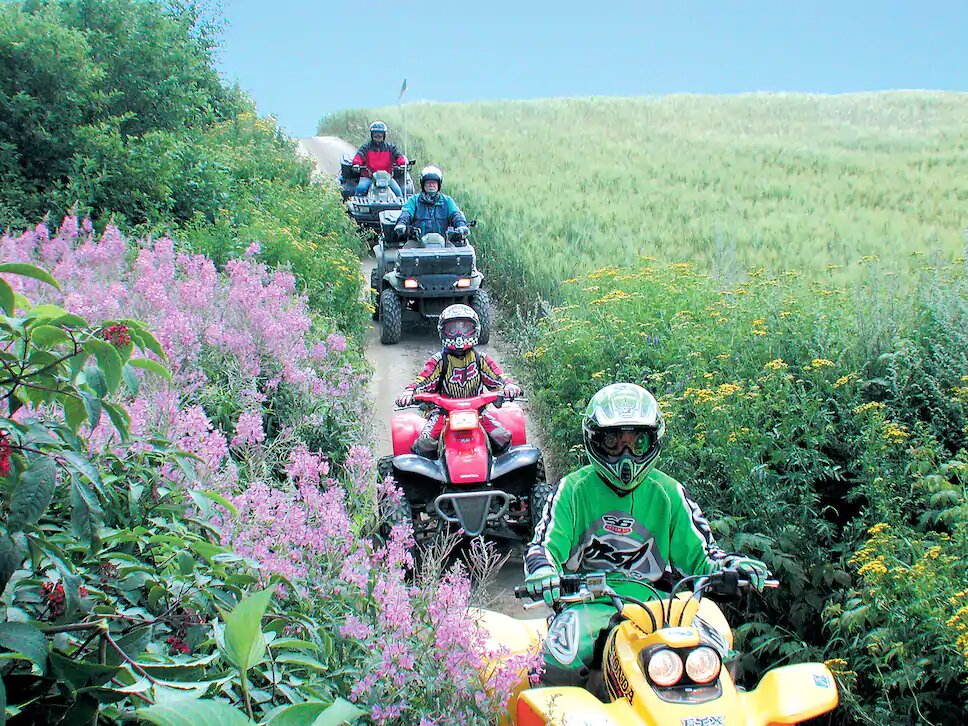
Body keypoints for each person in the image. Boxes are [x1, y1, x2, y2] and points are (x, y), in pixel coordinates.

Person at [524, 382, 771, 686]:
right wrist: (544, 570)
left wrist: (731, 567)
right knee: (559, 656)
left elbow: (704, 555)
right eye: (613, 441)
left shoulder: (669, 493)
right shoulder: (573, 490)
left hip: (663, 607)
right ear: (595, 440)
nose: (625, 455)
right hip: (590, 604)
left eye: (637, 442)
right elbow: (543, 546)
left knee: (718, 651)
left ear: (653, 439)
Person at [395, 304, 521, 456]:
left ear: (475, 330)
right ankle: (427, 474)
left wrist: (509, 386)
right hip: (443, 412)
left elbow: (498, 376)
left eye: (465, 328)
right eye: (452, 329)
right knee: (425, 442)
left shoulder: (481, 359)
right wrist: (410, 391)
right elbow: (424, 379)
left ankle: (500, 469)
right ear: (443, 331)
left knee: (502, 436)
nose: (459, 335)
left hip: (477, 411)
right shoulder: (439, 360)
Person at [394, 166, 469, 242]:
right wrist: (402, 224)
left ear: (439, 184)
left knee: (459, 253)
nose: (431, 185)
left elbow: (455, 215)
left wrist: (461, 225)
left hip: (444, 243)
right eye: (428, 182)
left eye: (434, 183)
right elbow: (406, 214)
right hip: (417, 243)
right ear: (423, 184)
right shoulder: (414, 200)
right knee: (404, 253)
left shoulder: (447, 200)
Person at [351, 120, 407, 197]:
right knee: (361, 189)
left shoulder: (390, 148)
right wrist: (356, 163)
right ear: (372, 134)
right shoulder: (366, 148)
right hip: (369, 177)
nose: (378, 135)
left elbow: (398, 156)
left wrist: (402, 164)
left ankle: (401, 208)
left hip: (387, 177)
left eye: (380, 133)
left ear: (384, 135)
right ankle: (356, 207)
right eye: (375, 133)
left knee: (398, 192)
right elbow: (359, 156)